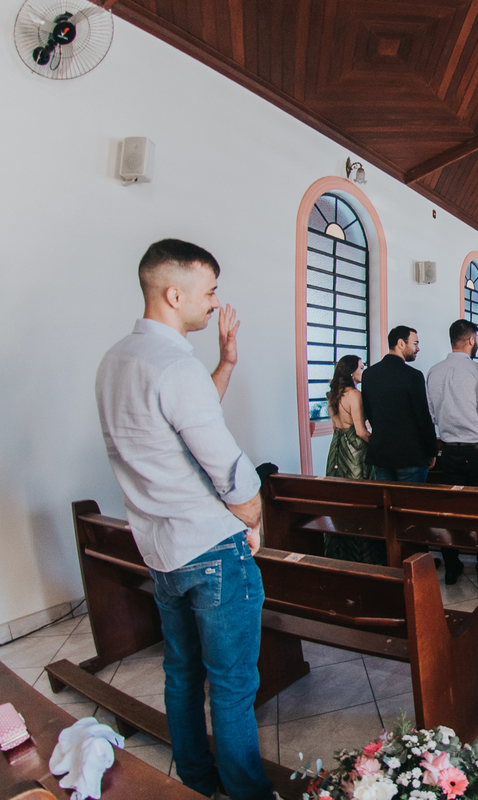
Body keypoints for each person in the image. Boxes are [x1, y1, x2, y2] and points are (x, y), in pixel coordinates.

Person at [95, 239, 274, 800]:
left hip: (161, 548)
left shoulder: (117, 360)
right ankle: (246, 792)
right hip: (214, 552)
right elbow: (229, 469)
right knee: (232, 685)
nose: (216, 302)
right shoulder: (175, 365)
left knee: (181, 674)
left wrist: (224, 364)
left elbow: (182, 422)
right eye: (211, 290)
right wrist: (254, 515)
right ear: (176, 293)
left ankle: (197, 781)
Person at [426, 320, 478, 590]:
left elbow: (432, 414)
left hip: (448, 450)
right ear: (472, 340)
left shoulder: (433, 372)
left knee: (454, 511)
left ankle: (452, 568)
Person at [323, 354, 384, 563]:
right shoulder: (354, 395)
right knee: (360, 499)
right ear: (351, 372)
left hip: (337, 448)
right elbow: (360, 431)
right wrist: (377, 444)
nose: (363, 369)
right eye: (360, 366)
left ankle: (340, 550)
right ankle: (363, 553)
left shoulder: (332, 395)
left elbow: (335, 427)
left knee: (340, 499)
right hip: (354, 451)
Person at [361, 325, 438, 488]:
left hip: (381, 452)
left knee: (387, 504)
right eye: (415, 343)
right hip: (410, 454)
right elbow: (423, 417)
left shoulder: (368, 374)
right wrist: (432, 450)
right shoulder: (413, 376)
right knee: (411, 504)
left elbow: (370, 412)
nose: (418, 348)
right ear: (401, 343)